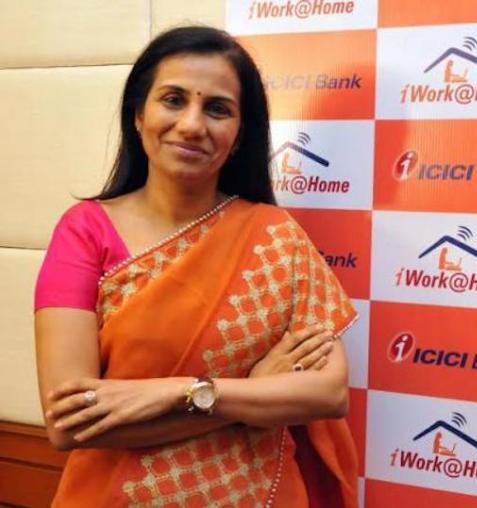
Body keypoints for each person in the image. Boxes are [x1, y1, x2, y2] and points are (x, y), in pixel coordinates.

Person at [34, 26, 358, 507]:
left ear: (239, 134)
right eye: (173, 100)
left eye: (217, 109)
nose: (191, 124)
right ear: (138, 114)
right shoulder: (84, 231)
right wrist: (251, 394)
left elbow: (328, 393)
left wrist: (183, 393)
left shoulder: (275, 234)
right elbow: (70, 423)